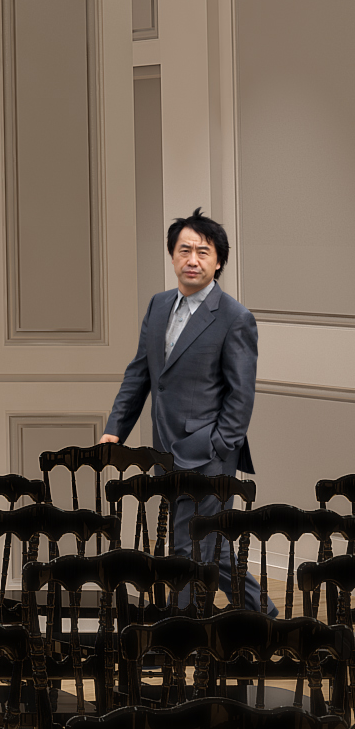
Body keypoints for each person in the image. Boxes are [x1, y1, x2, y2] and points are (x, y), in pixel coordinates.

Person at [105, 208, 263, 614]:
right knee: (212, 547)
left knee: (188, 546)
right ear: (172, 256)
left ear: (219, 261)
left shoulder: (235, 317)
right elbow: (140, 373)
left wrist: (218, 445)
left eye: (203, 252)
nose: (193, 260)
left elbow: (241, 395)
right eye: (184, 250)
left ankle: (182, 633)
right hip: (166, 449)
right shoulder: (159, 305)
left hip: (209, 454)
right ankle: (267, 620)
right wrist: (115, 429)